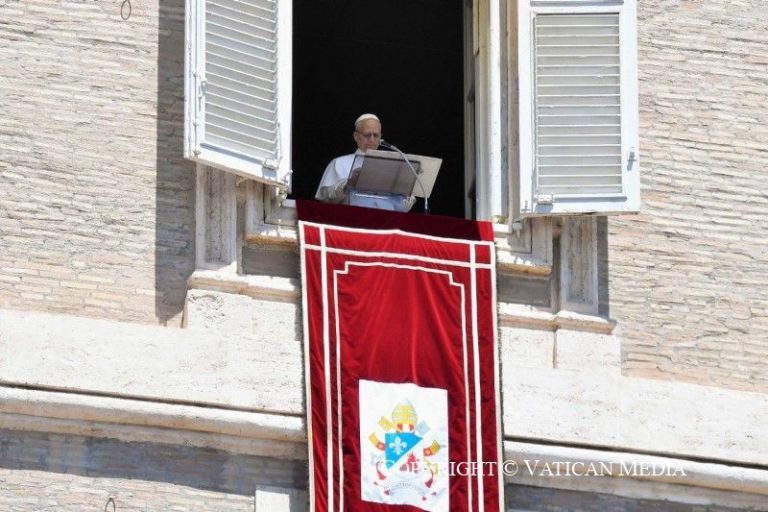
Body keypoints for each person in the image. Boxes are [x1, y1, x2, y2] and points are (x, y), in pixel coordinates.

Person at [314, 114, 415, 210]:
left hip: (386, 220)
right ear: (356, 136)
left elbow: (403, 207)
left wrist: (404, 191)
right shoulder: (339, 163)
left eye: (376, 135)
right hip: (351, 218)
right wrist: (349, 183)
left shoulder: (393, 167)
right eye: (367, 135)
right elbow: (326, 198)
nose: (372, 139)